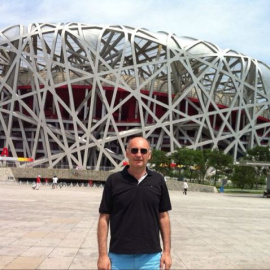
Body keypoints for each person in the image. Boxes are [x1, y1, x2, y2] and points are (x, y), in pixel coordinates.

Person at [97, 137, 172, 270]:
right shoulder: (114, 180)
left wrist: (167, 252)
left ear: (149, 155)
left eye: (143, 151)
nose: (139, 154)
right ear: (127, 153)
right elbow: (104, 218)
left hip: (151, 257)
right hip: (119, 257)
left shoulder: (158, 180)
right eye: (134, 150)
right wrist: (103, 255)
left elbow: (163, 217)